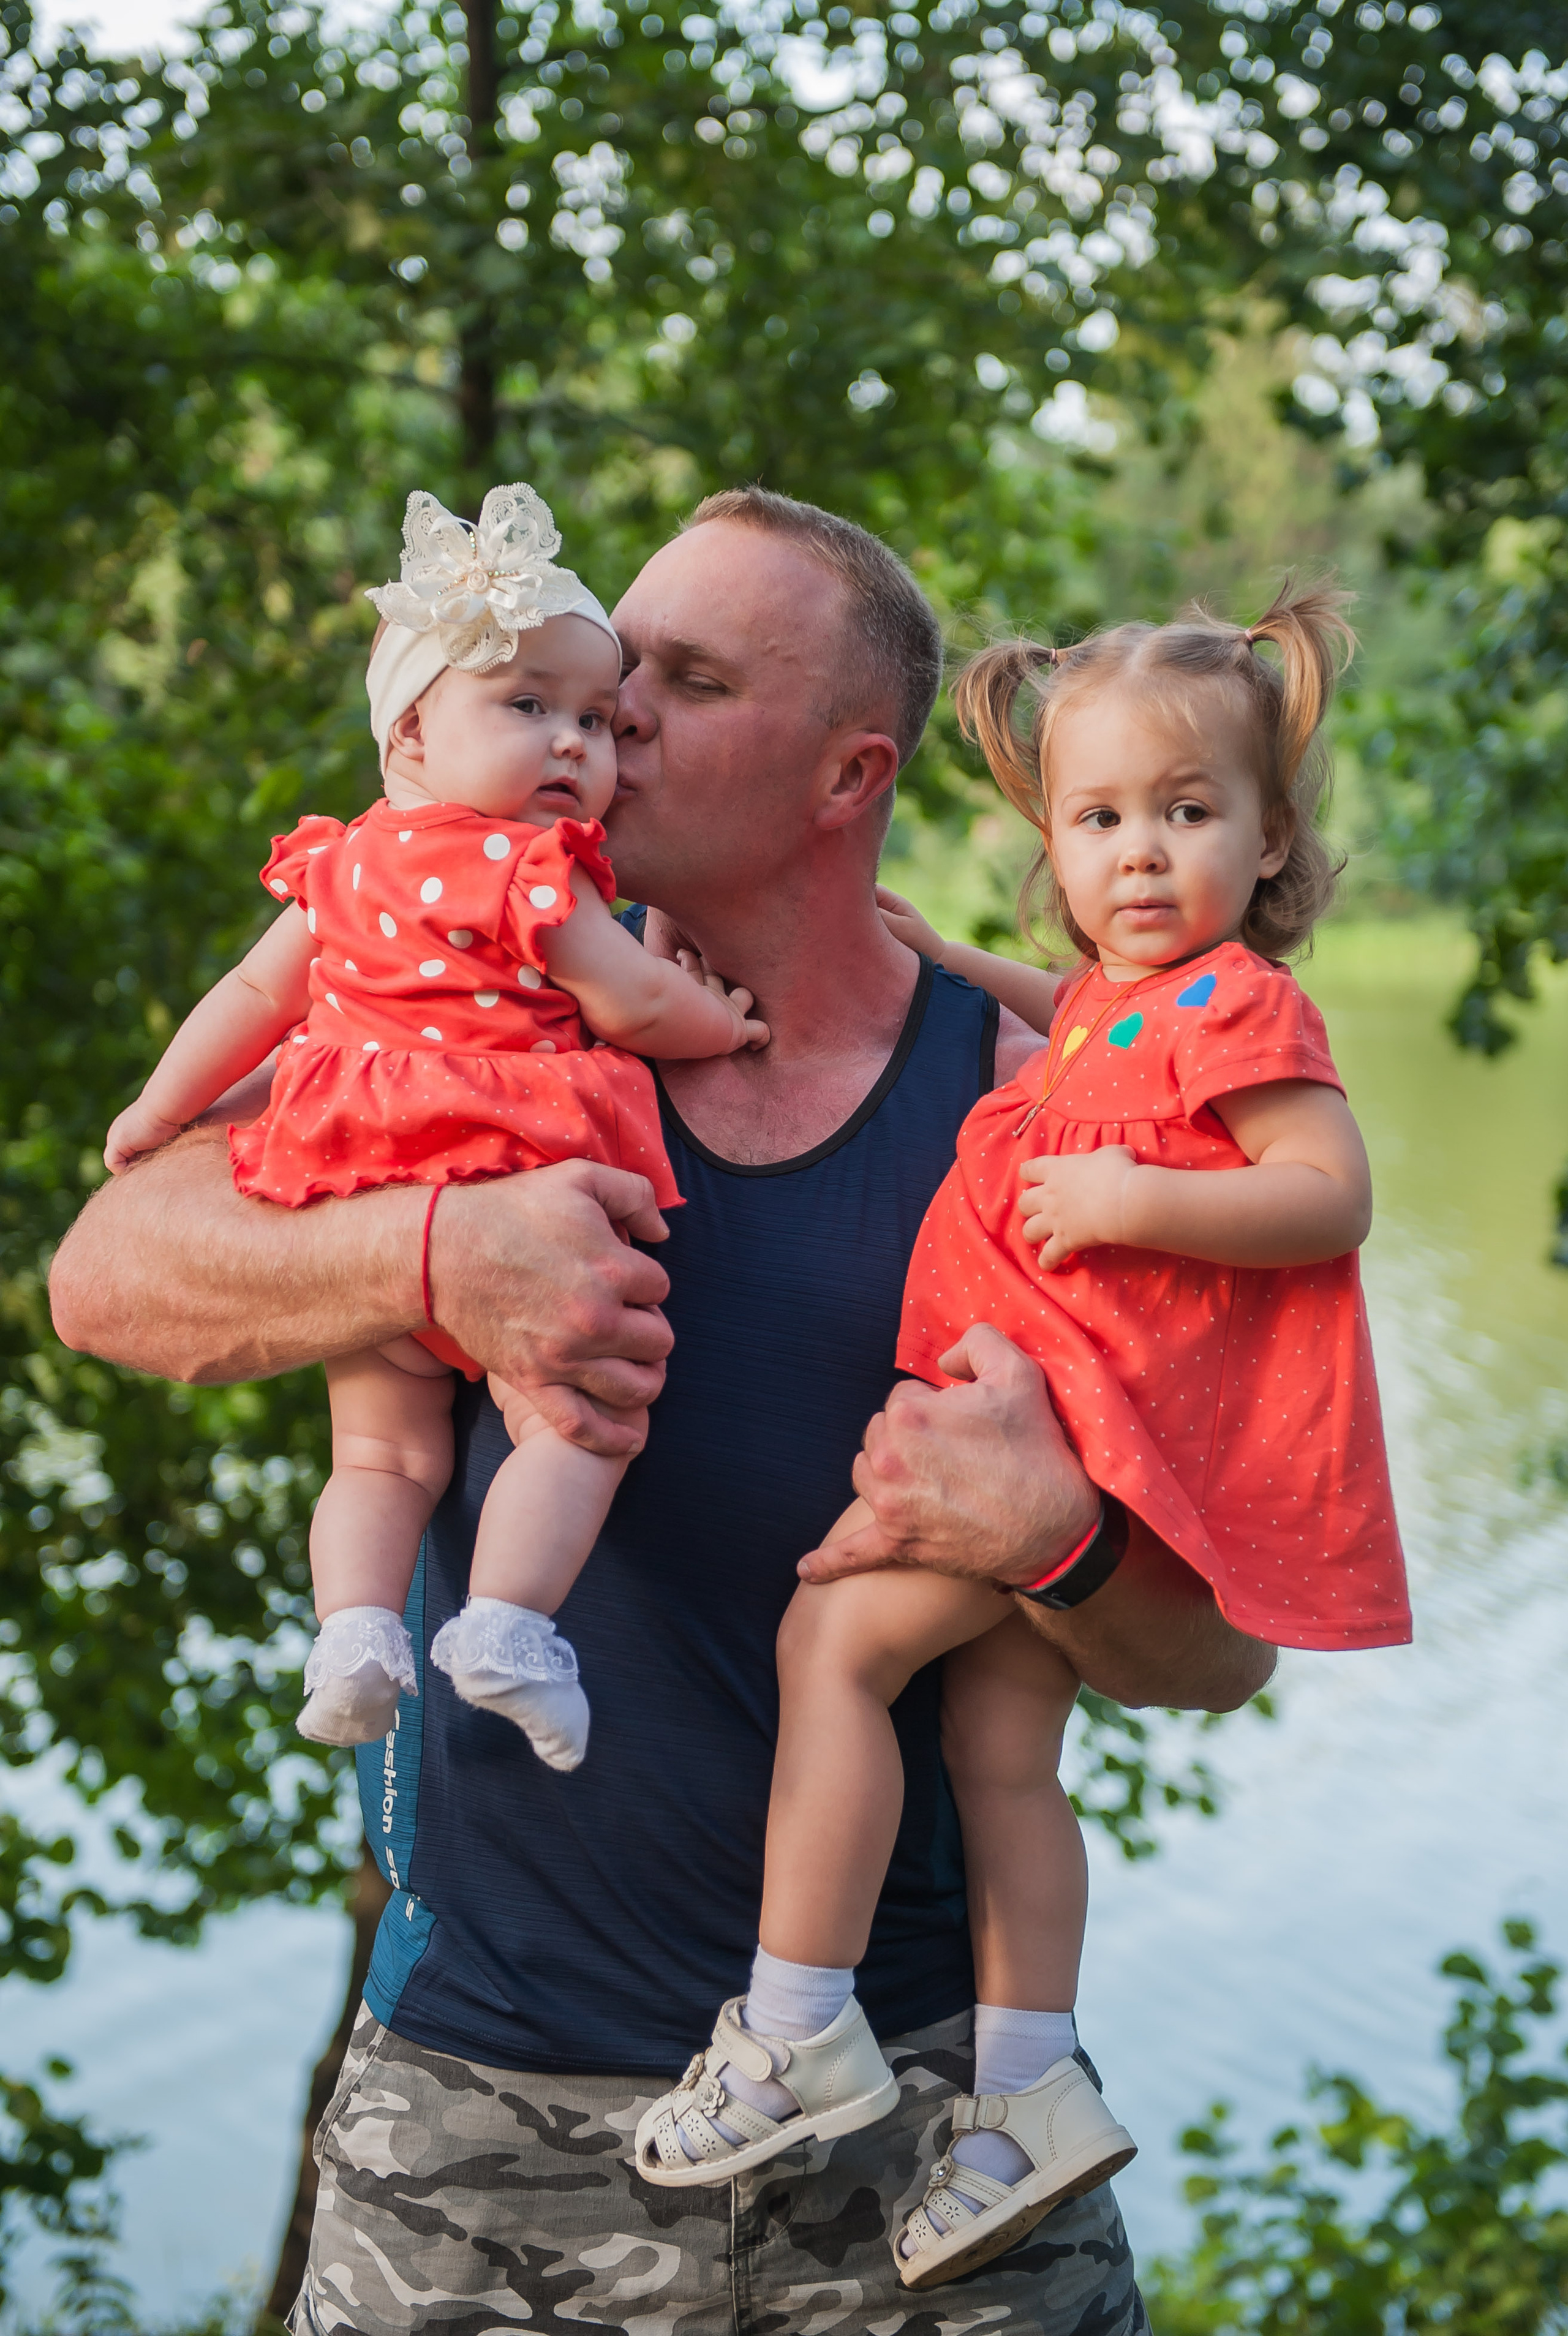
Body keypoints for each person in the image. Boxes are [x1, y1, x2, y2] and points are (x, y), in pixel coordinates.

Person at [50, 488, 1279, 2335]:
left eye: (678, 688)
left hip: (925, 2129)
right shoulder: (468, 1011)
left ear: (846, 772)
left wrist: (1063, 1534)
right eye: (605, 675)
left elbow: (1219, 1650)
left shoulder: (1043, 1117)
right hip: (474, 2110)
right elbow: (105, 1272)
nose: (602, 720)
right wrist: (436, 1251)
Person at [631, 581, 1409, 2295]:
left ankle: (794, 2024)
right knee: (1001, 1757)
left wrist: (1133, 1191)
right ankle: (1030, 2075)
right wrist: (930, 959)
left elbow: (1327, 1191)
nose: (1142, 855)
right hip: (1066, 1434)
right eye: (1100, 820)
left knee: (830, 1644)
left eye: (1188, 814)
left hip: (1079, 1447)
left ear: (1270, 838)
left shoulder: (1243, 1011)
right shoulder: (1108, 1010)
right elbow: (1065, 1022)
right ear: (1052, 843)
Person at [102, 483, 766, 1769]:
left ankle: (354, 1632)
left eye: (592, 717)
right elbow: (628, 997)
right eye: (527, 707)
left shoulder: (340, 865)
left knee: (377, 1450)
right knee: (575, 1422)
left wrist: (159, 1107)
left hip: (353, 1183)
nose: (574, 743)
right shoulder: (529, 869)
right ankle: (506, 1626)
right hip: (509, 1170)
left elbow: (248, 999)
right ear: (408, 734)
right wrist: (723, 1025)